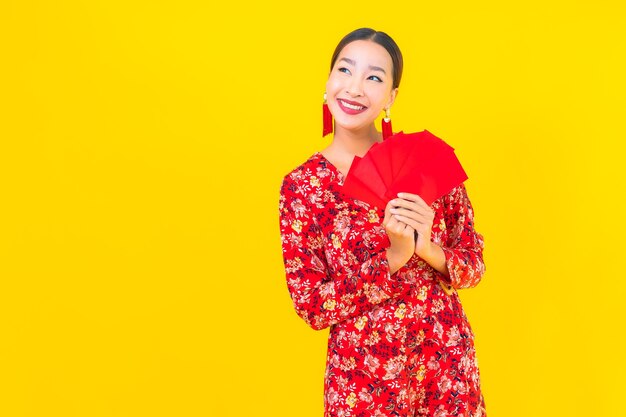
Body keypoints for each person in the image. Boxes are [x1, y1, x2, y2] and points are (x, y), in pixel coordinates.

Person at [278, 27, 486, 417]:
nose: (355, 88)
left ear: (390, 97)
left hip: (444, 366)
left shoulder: (425, 161)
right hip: (361, 378)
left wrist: (427, 248)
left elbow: (474, 264)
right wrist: (392, 257)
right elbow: (311, 306)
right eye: (345, 70)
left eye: (374, 77)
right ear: (328, 82)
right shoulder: (303, 187)